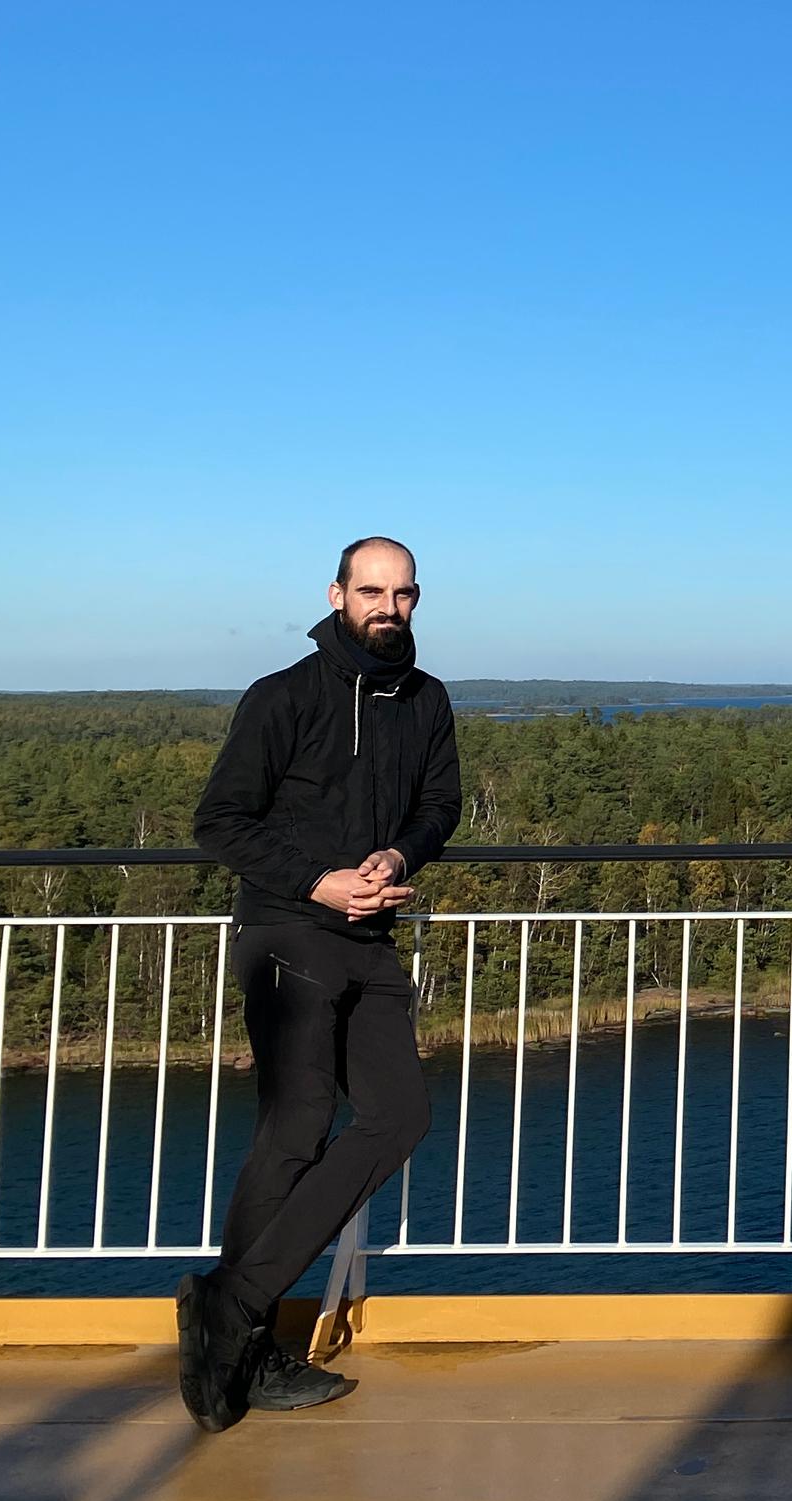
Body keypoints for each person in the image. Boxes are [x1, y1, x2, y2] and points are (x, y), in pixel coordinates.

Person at [181, 536, 459, 1432]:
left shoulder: (426, 699)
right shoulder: (283, 697)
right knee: (296, 1127)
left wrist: (396, 854)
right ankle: (247, 1345)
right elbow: (219, 820)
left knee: (398, 1115)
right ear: (336, 594)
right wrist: (318, 880)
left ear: (417, 600)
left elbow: (438, 805)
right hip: (286, 932)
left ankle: (229, 1305)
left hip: (369, 935)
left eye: (402, 594)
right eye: (370, 591)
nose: (388, 607)